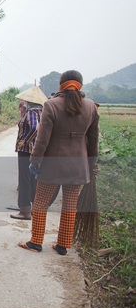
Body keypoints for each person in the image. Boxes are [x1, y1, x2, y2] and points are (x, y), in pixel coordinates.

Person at [18, 70, 99, 255]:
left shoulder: (51, 105)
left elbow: (42, 139)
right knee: (70, 205)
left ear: (60, 85)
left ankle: (36, 242)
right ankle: (62, 245)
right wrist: (92, 164)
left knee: (40, 202)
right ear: (81, 84)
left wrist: (35, 161)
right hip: (78, 166)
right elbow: (93, 140)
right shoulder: (91, 107)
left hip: (52, 165)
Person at [10, 86, 48, 220]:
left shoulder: (32, 112)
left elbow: (34, 128)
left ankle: (24, 210)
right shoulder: (42, 112)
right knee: (33, 179)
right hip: (37, 151)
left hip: (26, 150)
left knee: (24, 179)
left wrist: (25, 141)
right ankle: (33, 208)